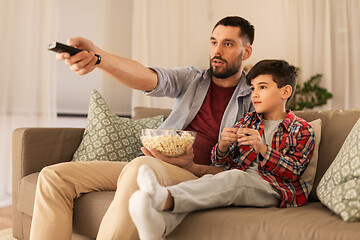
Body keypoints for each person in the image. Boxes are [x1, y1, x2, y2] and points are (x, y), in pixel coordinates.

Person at [30, 16, 255, 240]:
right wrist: (98, 57)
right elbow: (148, 78)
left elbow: (247, 173)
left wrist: (194, 167)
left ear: (245, 53)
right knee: (54, 176)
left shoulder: (256, 98)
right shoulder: (193, 79)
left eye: (228, 44)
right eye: (214, 42)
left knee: (140, 168)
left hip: (196, 177)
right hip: (150, 164)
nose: (217, 50)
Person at [128, 59, 316, 240]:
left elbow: (294, 171)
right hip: (240, 178)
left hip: (276, 188)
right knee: (214, 185)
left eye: (263, 87)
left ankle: (166, 196)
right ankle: (160, 224)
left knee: (233, 179)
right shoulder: (248, 121)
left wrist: (262, 149)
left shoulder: (302, 129)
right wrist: (223, 146)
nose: (255, 94)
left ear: (285, 92)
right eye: (252, 88)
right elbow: (221, 163)